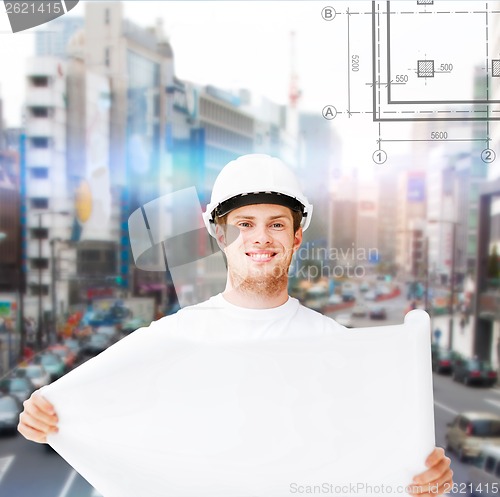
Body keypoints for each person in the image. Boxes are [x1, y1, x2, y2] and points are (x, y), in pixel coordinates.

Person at [18, 154, 452, 496]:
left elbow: (371, 460)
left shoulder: (338, 350)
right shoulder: (170, 342)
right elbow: (98, 417)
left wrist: (418, 480)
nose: (261, 238)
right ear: (219, 236)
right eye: (244, 224)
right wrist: (45, 416)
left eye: (276, 224)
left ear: (297, 236)